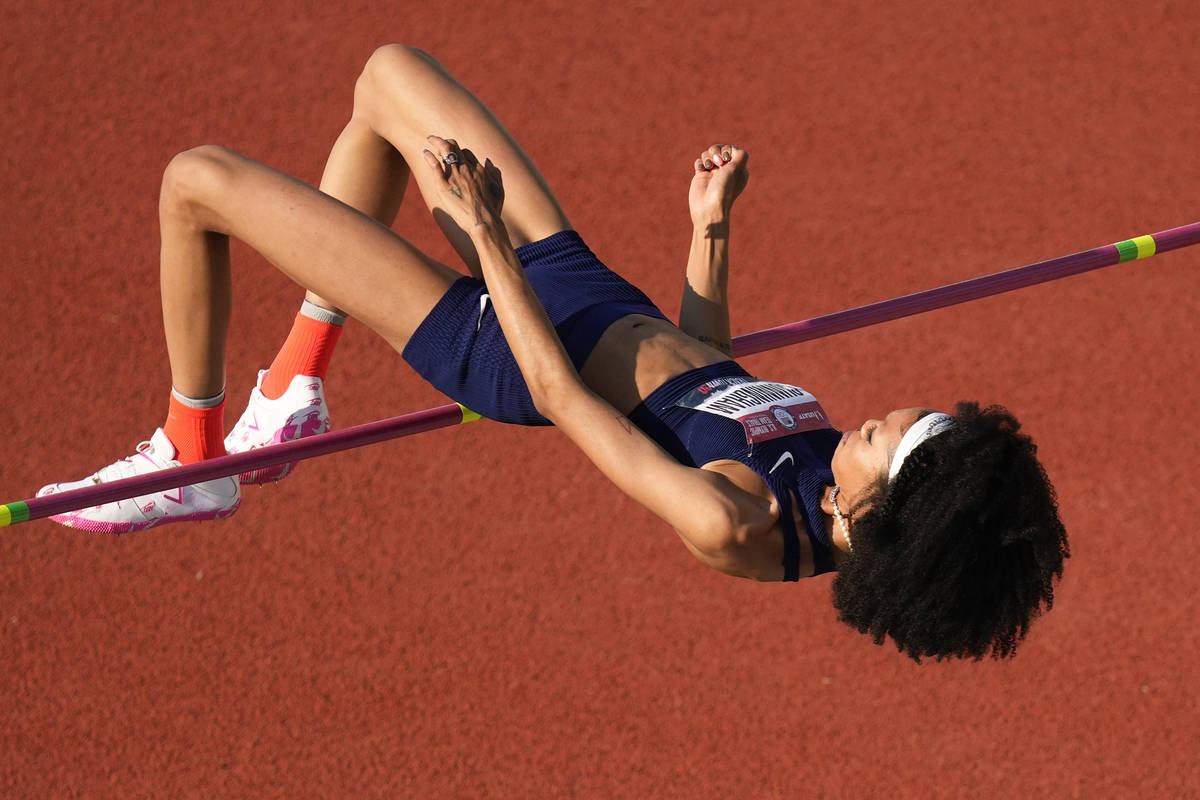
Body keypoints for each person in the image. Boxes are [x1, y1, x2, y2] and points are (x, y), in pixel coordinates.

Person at [37, 45, 1068, 661]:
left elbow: (564, 400)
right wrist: (709, 230)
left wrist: (486, 242)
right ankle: (293, 388)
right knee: (387, 79)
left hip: (504, 335)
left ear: (882, 514)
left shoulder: (733, 519)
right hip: (583, 285)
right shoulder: (830, 461)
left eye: (897, 441)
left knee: (196, 181)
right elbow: (709, 376)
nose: (885, 417)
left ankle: (190, 454)